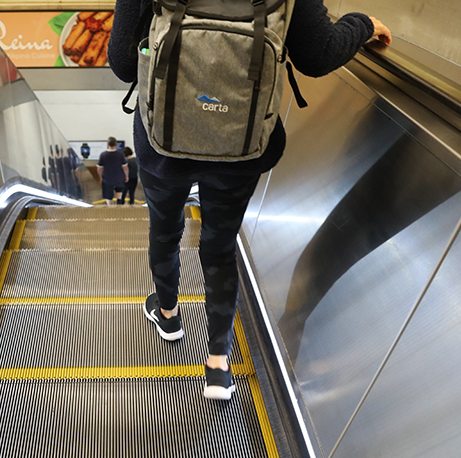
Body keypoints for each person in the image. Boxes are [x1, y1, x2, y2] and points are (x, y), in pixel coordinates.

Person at [108, 0, 392, 400]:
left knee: (165, 228)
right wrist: (362, 25)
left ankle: (168, 314)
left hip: (163, 145)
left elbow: (122, 63)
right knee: (220, 247)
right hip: (242, 148)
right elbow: (316, 55)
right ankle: (218, 365)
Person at [97, 136, 129, 205]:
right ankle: (119, 206)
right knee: (119, 193)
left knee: (108, 196)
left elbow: (99, 168)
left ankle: (110, 210)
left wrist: (100, 177)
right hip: (119, 177)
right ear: (115, 145)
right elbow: (125, 167)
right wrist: (126, 176)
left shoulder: (103, 155)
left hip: (107, 178)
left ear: (107, 144)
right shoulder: (120, 154)